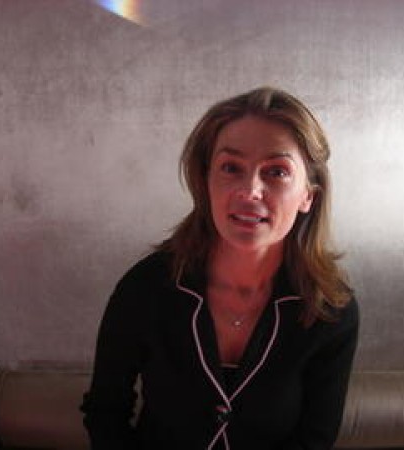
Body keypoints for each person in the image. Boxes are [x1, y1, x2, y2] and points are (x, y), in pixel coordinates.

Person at [81, 87, 359, 449]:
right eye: (231, 168)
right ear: (206, 180)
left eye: (276, 172)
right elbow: (105, 413)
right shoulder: (145, 288)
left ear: (308, 195)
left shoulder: (330, 309)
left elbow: (315, 438)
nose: (250, 190)